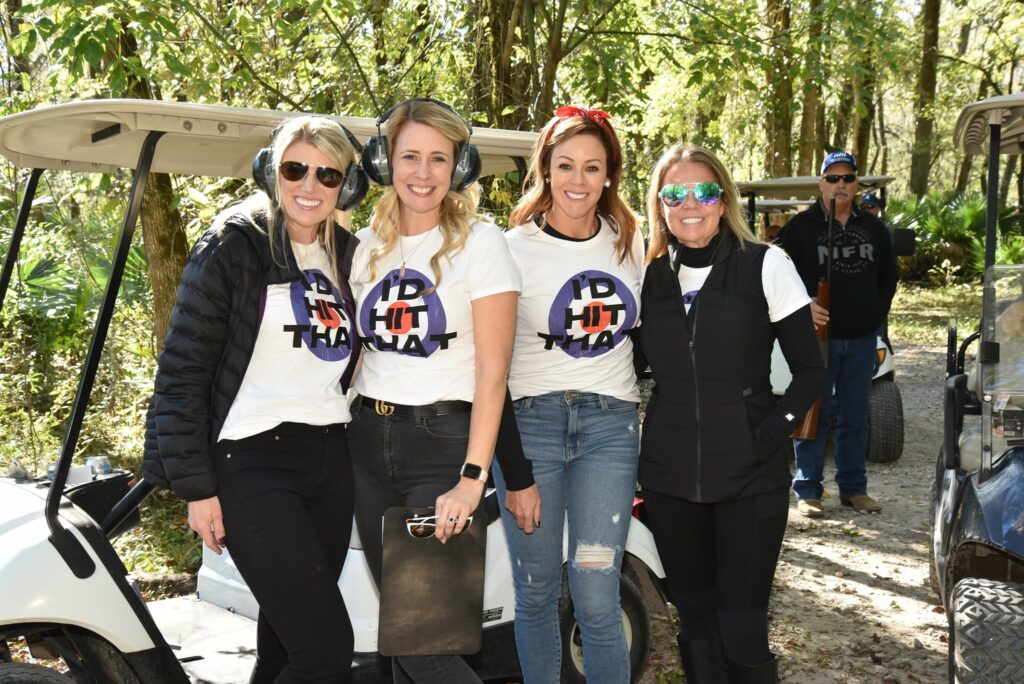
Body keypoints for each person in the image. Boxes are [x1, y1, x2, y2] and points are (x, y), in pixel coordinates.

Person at [142, 115, 367, 683]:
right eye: (296, 169)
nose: (310, 185)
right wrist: (196, 487)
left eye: (327, 173)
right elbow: (183, 372)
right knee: (326, 650)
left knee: (285, 648)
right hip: (251, 462)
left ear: (346, 185)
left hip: (329, 460)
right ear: (273, 171)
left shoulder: (350, 253)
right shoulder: (234, 244)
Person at [346, 97, 521, 684]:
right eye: (410, 156)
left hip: (441, 445)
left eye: (438, 159)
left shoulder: (483, 243)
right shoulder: (366, 244)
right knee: (403, 635)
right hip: (367, 443)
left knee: (428, 646)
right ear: (383, 161)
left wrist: (471, 478)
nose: (423, 173)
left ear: (460, 167)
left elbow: (493, 375)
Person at [636, 144, 825, 683]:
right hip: (672, 480)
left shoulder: (765, 264)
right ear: (660, 204)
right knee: (695, 623)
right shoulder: (648, 277)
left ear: (724, 200)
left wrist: (761, 439)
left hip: (750, 478)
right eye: (675, 193)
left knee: (740, 625)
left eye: (703, 191)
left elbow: (810, 372)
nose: (689, 203)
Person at [498, 106, 643, 684]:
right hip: (531, 428)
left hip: (611, 428)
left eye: (592, 166)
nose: (578, 180)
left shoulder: (632, 243)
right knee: (535, 594)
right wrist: (511, 468)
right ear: (546, 171)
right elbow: (489, 365)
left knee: (597, 595)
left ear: (610, 173)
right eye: (565, 166)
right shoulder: (509, 248)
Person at [779, 151, 899, 518]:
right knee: (815, 410)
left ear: (856, 183)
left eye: (847, 178)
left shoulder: (873, 227)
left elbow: (888, 277)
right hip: (816, 339)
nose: (840, 185)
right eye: (832, 178)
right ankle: (808, 489)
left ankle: (854, 489)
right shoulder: (800, 227)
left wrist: (873, 315)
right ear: (821, 183)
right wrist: (803, 305)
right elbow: (776, 274)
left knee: (855, 415)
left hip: (861, 338)